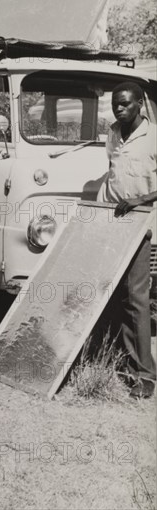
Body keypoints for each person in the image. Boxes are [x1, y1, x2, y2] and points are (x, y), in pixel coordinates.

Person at [97, 81, 157, 399]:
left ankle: (144, 379)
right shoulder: (113, 132)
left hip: (142, 223)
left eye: (126, 104)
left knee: (137, 300)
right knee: (115, 296)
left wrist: (141, 199)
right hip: (113, 222)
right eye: (115, 104)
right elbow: (112, 171)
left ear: (140, 104)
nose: (119, 109)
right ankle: (125, 361)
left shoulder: (153, 136)